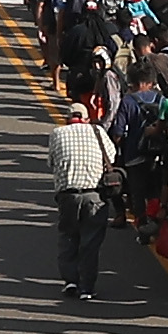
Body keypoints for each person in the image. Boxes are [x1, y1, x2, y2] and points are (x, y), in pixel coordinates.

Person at [50, 104, 118, 300]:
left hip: (67, 194)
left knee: (68, 236)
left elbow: (52, 162)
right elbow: (111, 156)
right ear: (87, 118)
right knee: (90, 242)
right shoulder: (98, 131)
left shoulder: (57, 133)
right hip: (94, 195)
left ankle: (70, 280)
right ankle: (87, 288)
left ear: (67, 118)